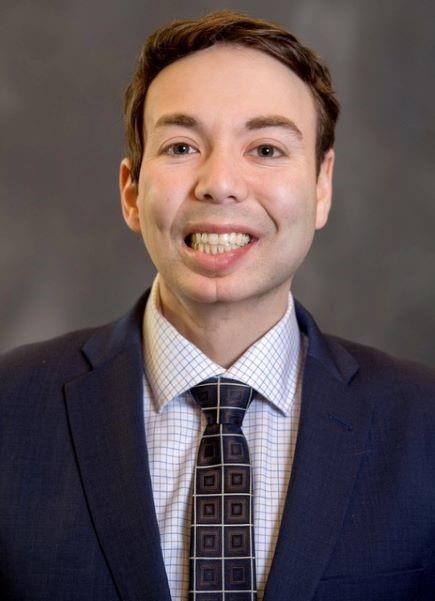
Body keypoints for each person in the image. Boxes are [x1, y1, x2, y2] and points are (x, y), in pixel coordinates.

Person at [0, 10, 434, 601]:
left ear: (321, 185)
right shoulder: (11, 409)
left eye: (266, 148)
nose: (220, 182)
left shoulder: (423, 423)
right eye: (181, 146)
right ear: (131, 191)